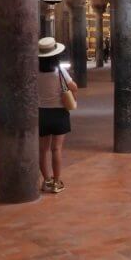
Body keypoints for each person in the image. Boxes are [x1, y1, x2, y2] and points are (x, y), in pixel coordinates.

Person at [38, 36, 77, 194]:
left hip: (42, 112)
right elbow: (74, 87)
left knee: (42, 150)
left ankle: (46, 180)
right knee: (56, 149)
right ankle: (56, 181)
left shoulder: (35, 71)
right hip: (59, 112)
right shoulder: (60, 71)